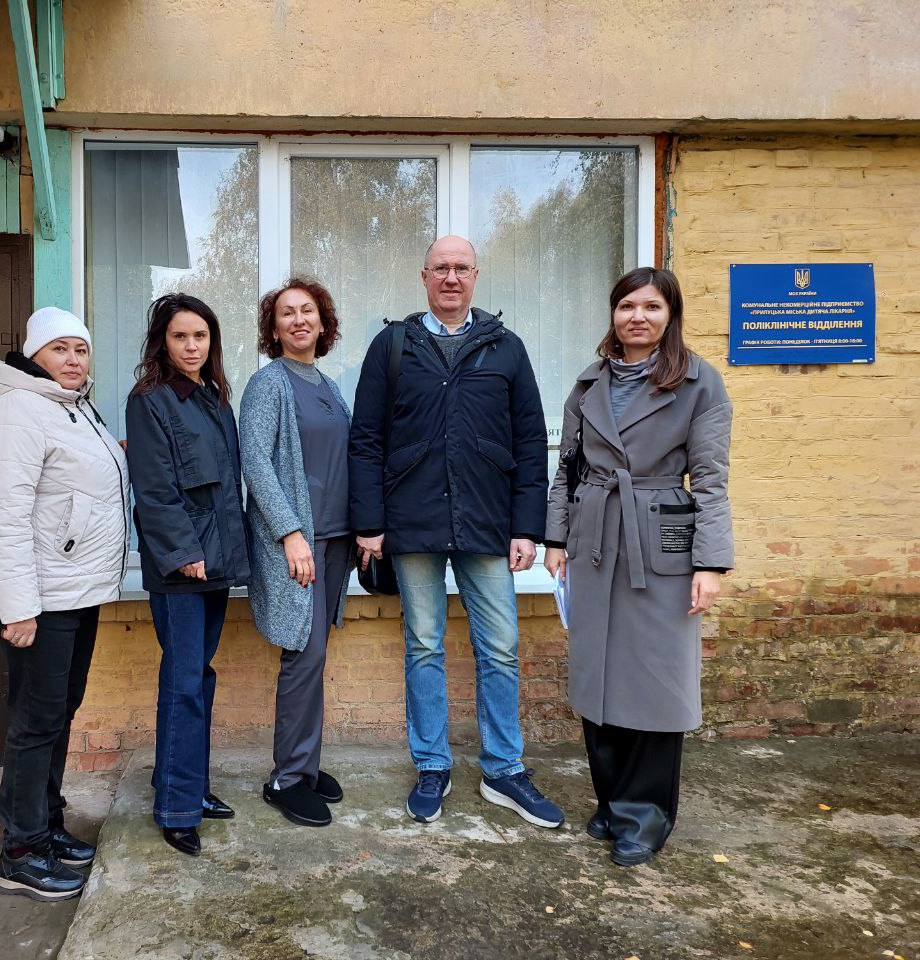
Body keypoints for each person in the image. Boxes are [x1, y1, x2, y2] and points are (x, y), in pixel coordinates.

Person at [348, 235, 563, 828]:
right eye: (440, 268)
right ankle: (432, 766)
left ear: (476, 276)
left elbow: (529, 443)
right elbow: (365, 439)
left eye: (460, 268)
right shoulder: (393, 346)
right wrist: (369, 524)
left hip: (487, 522)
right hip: (411, 522)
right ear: (424, 277)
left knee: (500, 648)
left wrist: (527, 528)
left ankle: (503, 769)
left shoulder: (506, 348)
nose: (450, 277)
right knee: (423, 645)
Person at [544, 266, 733, 867]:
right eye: (627, 306)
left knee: (653, 679)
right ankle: (612, 801)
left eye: (652, 306)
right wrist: (556, 539)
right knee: (597, 675)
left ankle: (646, 815)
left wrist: (711, 563)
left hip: (661, 541)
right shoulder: (589, 382)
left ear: (670, 314)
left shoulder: (699, 383)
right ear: (614, 314)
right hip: (595, 537)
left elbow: (710, 479)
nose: (638, 317)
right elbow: (568, 468)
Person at [0, 306, 130, 901]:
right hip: (38, 598)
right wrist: (18, 607)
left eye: (80, 350)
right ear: (34, 355)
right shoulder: (17, 411)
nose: (73, 360)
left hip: (73, 589)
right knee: (36, 720)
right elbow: (1, 515)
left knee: (59, 711)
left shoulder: (74, 408)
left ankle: (45, 825)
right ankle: (19, 852)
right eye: (59, 349)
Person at [125, 292, 251, 857]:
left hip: (215, 562)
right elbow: (154, 488)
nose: (192, 346)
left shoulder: (214, 397)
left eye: (201, 336)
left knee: (197, 676)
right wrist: (182, 552)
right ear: (163, 342)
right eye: (181, 336)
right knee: (183, 683)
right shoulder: (150, 400)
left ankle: (188, 786)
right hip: (183, 568)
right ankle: (177, 807)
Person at [240, 278, 356, 828]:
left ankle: (304, 764)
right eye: (286, 313)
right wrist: (290, 533)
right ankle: (286, 779)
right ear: (274, 328)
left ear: (323, 321)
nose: (299, 320)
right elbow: (256, 463)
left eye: (308, 310)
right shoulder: (269, 384)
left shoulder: (327, 385)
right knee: (302, 655)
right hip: (299, 544)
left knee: (315, 655)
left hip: (333, 539)